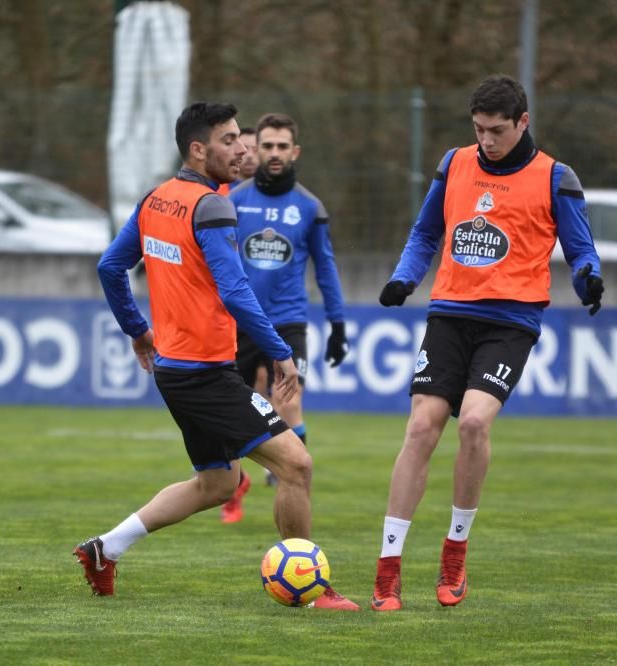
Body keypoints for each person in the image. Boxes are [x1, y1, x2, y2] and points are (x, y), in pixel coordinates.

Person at [74, 101, 359, 610]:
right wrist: (280, 354)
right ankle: (313, 591)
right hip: (204, 375)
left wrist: (139, 332)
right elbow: (234, 290)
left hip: (175, 371)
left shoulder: (156, 199)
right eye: (230, 140)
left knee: (218, 483)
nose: (243, 147)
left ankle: (105, 549)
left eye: (241, 138)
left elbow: (110, 268)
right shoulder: (213, 206)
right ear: (198, 149)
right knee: (296, 465)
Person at [370, 74, 604, 611]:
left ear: (523, 122)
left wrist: (588, 277)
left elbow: (579, 246)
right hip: (450, 313)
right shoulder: (454, 163)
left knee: (473, 422)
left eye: (496, 131)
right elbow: (426, 231)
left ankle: (455, 550)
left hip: (510, 321)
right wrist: (405, 277)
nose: (486, 141)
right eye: (478, 130)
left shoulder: (555, 177)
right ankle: (388, 568)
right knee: (421, 427)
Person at [221, 112, 349, 518]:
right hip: (241, 323)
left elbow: (325, 268)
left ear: (294, 152)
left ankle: (294, 487)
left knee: (288, 402)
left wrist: (338, 325)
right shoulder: (233, 202)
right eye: (267, 146)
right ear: (255, 150)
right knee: (236, 409)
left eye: (282, 147)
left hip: (288, 320)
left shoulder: (310, 208)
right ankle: (235, 483)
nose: (274, 153)